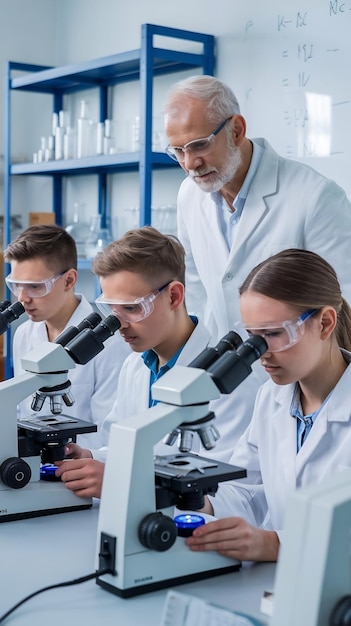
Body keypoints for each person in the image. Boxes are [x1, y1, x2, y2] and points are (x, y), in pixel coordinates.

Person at [184, 248, 351, 563]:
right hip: (274, 584)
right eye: (252, 337)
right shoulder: (271, 398)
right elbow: (247, 491)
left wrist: (276, 545)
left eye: (274, 334)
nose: (261, 353)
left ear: (325, 323)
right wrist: (196, 502)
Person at [55, 226, 243, 498]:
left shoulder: (225, 382)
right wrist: (91, 456)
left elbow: (227, 490)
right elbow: (123, 445)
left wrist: (120, 483)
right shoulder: (136, 366)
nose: (118, 325)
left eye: (131, 308)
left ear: (174, 296)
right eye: (111, 309)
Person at [4, 224, 130, 449]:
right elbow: (21, 410)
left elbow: (109, 430)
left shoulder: (110, 342)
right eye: (16, 286)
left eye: (35, 286)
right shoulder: (23, 333)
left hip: (83, 463)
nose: (22, 299)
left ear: (69, 280)